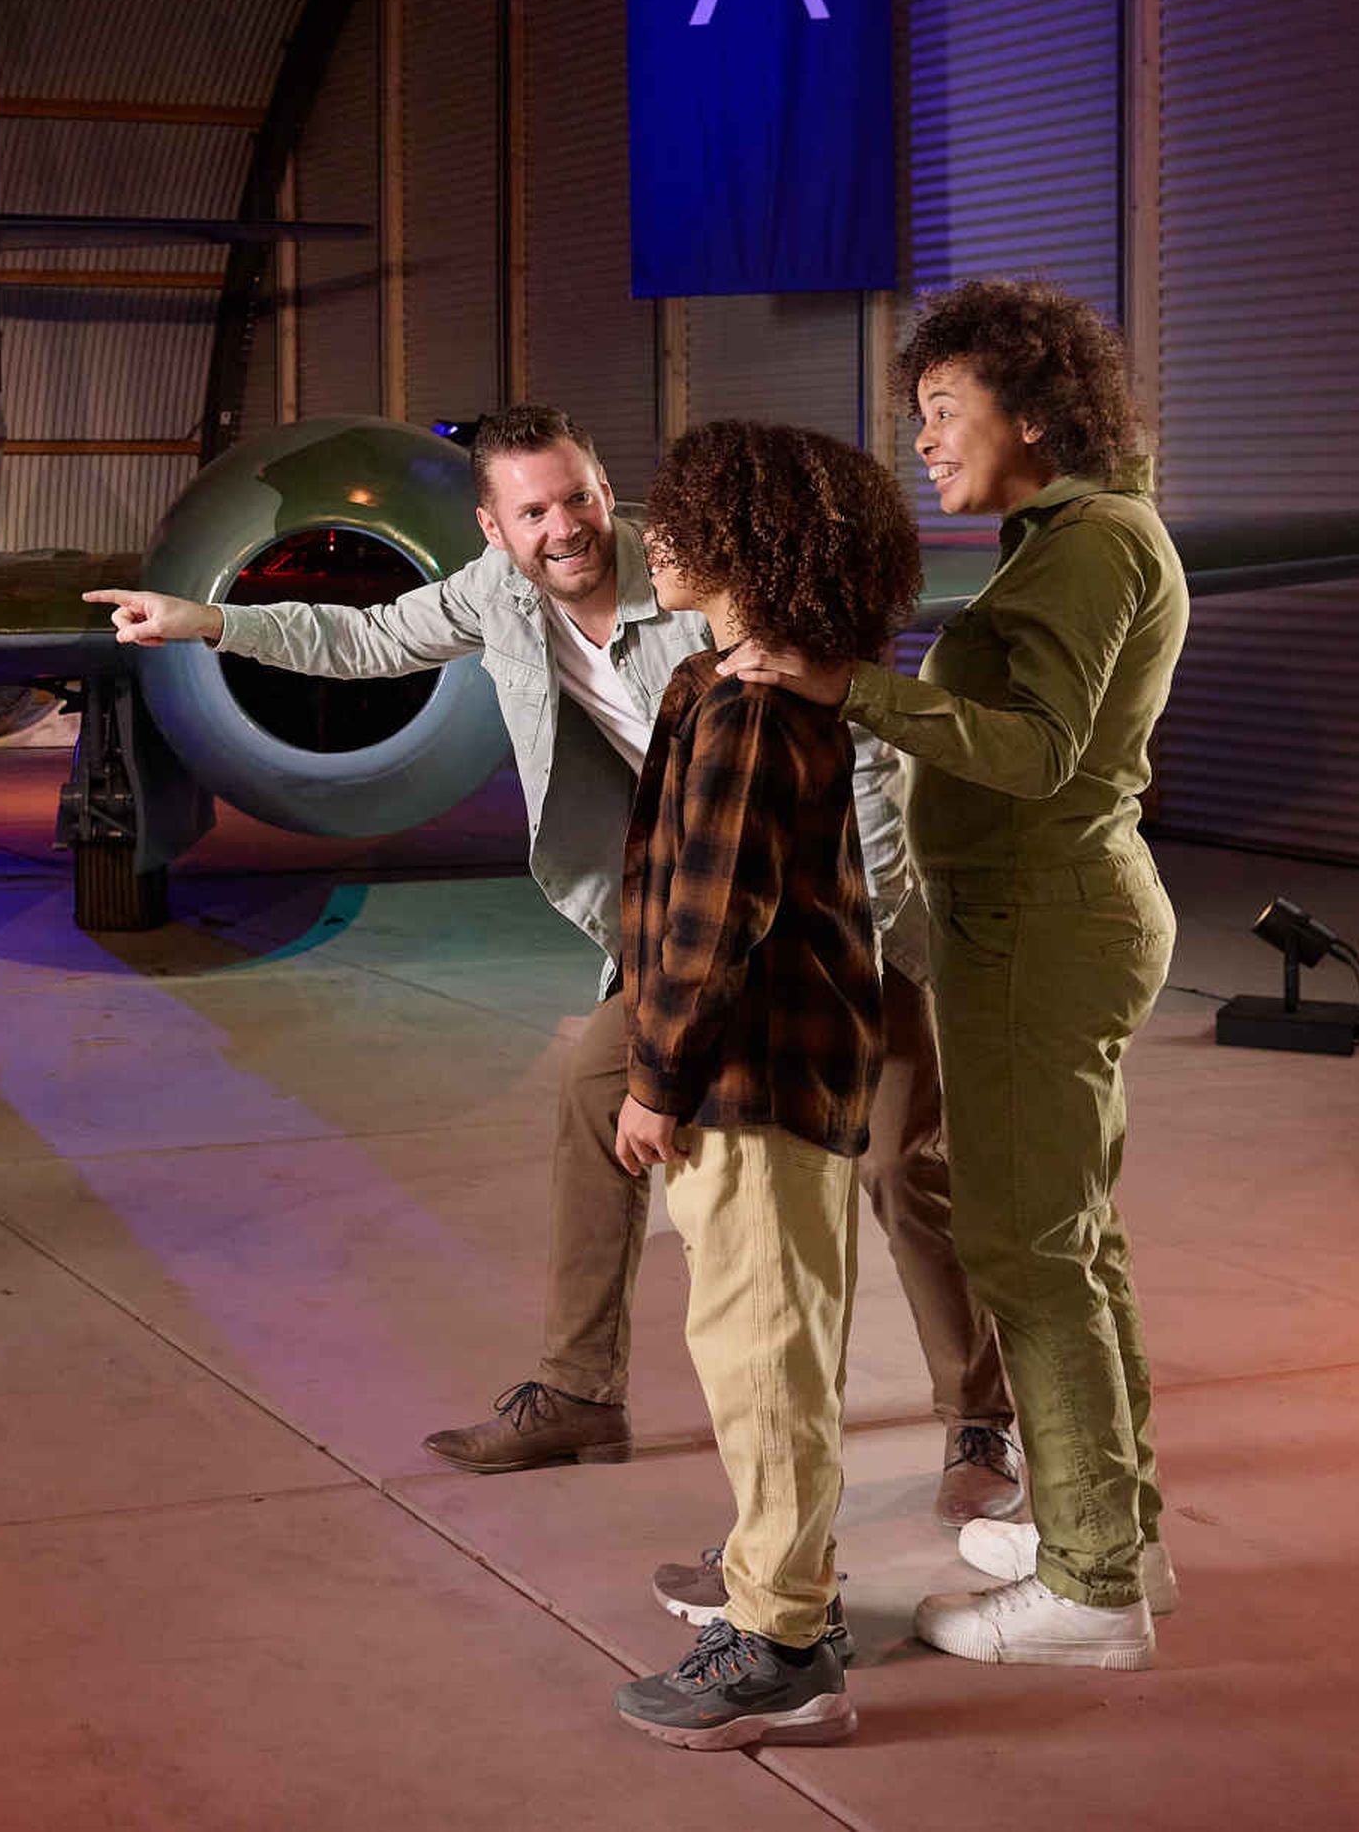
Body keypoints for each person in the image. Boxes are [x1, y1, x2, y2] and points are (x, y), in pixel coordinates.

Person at [87, 406, 1020, 1526]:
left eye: (578, 496)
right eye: (533, 511)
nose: (567, 527)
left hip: (837, 902)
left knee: (895, 1167)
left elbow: (864, 764)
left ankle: (981, 1420)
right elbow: (368, 640)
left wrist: (885, 951)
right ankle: (579, 1391)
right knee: (592, 1102)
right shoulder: (496, 592)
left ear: (601, 484)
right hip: (691, 902)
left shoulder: (698, 574)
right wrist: (206, 622)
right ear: (494, 526)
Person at [724, 279, 1189, 1670]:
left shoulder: (1087, 547)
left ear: (1034, 410)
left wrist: (840, 684)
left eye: (943, 410)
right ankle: (1111, 1518)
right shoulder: (1072, 536)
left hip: (1042, 929)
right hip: (1033, 921)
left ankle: (1094, 1590)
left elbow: (1038, 748)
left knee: (1029, 1249)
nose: (924, 441)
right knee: (1070, 1239)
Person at [598, 419, 921, 1751]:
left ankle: (785, 1646)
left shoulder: (749, 703)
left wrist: (656, 1081)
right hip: (769, 1068)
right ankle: (780, 1585)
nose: (656, 542)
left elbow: (711, 919)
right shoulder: (720, 683)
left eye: (685, 522)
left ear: (753, 544)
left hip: (756, 1076)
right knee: (757, 1344)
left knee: (763, 1352)